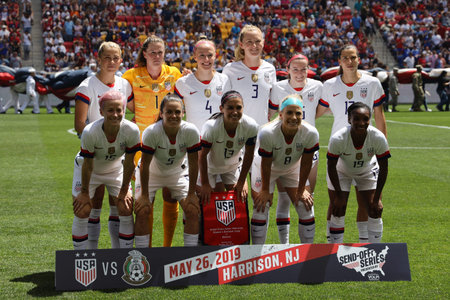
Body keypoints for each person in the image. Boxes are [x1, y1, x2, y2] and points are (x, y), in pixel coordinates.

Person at [317, 44, 387, 243]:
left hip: (367, 149)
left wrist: (382, 146)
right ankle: (332, 246)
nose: (349, 61)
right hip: (339, 151)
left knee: (366, 202)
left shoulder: (372, 83)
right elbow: (317, 113)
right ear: (339, 61)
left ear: (359, 60)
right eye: (345, 58)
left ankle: (366, 245)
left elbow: (380, 117)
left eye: (353, 57)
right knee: (336, 202)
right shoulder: (329, 85)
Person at [122, 35, 182, 248]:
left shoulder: (174, 74)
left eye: (161, 52)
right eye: (153, 52)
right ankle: (145, 250)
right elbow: (126, 103)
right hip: (140, 144)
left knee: (170, 194)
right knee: (144, 199)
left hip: (168, 141)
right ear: (144, 53)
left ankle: (166, 248)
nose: (157, 56)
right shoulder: (130, 76)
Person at [73, 41, 133, 249]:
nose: (111, 62)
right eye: (106, 57)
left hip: (117, 157)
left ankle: (119, 256)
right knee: (93, 203)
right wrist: (99, 143)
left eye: (115, 58)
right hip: (93, 154)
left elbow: (137, 107)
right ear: (98, 60)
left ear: (121, 60)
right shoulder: (87, 85)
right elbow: (80, 124)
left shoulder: (124, 84)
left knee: (119, 205)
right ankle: (91, 255)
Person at [72, 90, 141, 250]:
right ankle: (81, 258)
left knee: (125, 207)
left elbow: (130, 162)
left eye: (119, 110)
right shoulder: (90, 132)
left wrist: (125, 190)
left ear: (124, 111)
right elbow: (88, 165)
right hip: (89, 170)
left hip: (116, 169)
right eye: (110, 110)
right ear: (101, 111)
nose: (115, 114)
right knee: (82, 210)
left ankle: (124, 258)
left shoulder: (132, 130)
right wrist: (83, 192)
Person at [251, 95, 319, 244]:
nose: (294, 117)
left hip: (292, 167)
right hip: (264, 167)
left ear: (303, 115)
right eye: (289, 113)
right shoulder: (267, 132)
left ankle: (307, 256)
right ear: (281, 114)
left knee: (305, 207)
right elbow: (266, 163)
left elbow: (306, 163)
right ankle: (256, 257)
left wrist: (301, 190)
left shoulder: (310, 133)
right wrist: (264, 190)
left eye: (298, 113)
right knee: (261, 207)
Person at [135, 95, 201, 247]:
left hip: (176, 174)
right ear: (161, 114)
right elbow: (144, 164)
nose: (173, 116)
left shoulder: (190, 131)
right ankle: (143, 257)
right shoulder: (152, 132)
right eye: (169, 112)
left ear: (183, 113)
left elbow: (193, 162)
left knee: (192, 209)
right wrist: (144, 196)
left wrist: (191, 194)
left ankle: (190, 258)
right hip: (150, 174)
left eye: (177, 112)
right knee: (142, 210)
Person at [270, 53, 323, 244]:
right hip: (284, 148)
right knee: (284, 197)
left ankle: (305, 248)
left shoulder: (317, 86)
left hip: (308, 146)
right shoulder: (278, 88)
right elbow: (272, 114)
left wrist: (308, 125)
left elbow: (320, 109)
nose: (300, 73)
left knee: (307, 198)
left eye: (304, 69)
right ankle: (284, 245)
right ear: (288, 69)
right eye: (295, 69)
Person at [327, 102, 390, 243]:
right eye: (356, 119)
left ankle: (373, 251)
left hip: (367, 171)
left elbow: (384, 168)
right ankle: (334, 252)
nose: (361, 123)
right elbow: (331, 166)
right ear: (349, 119)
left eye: (365, 119)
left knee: (375, 210)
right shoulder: (338, 138)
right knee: (338, 208)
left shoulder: (378, 137)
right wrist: (339, 195)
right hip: (341, 172)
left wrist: (377, 198)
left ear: (370, 120)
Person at [199, 90, 258, 203]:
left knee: (240, 198)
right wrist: (205, 184)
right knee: (203, 201)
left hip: (232, 166)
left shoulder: (251, 125)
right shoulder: (211, 127)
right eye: (230, 108)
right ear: (221, 108)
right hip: (209, 168)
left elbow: (249, 154)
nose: (235, 112)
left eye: (238, 107)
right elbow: (201, 155)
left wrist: (241, 181)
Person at [222, 25, 277, 126]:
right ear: (241, 44)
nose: (254, 46)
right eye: (249, 42)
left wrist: (267, 117)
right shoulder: (230, 69)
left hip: (262, 131)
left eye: (257, 41)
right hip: (237, 130)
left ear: (263, 43)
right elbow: (222, 100)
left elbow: (273, 100)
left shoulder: (270, 69)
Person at [175, 37, 231, 131]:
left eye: (210, 55)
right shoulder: (182, 83)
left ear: (215, 56)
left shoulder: (225, 80)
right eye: (202, 55)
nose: (206, 59)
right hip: (193, 140)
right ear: (195, 56)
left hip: (218, 139)